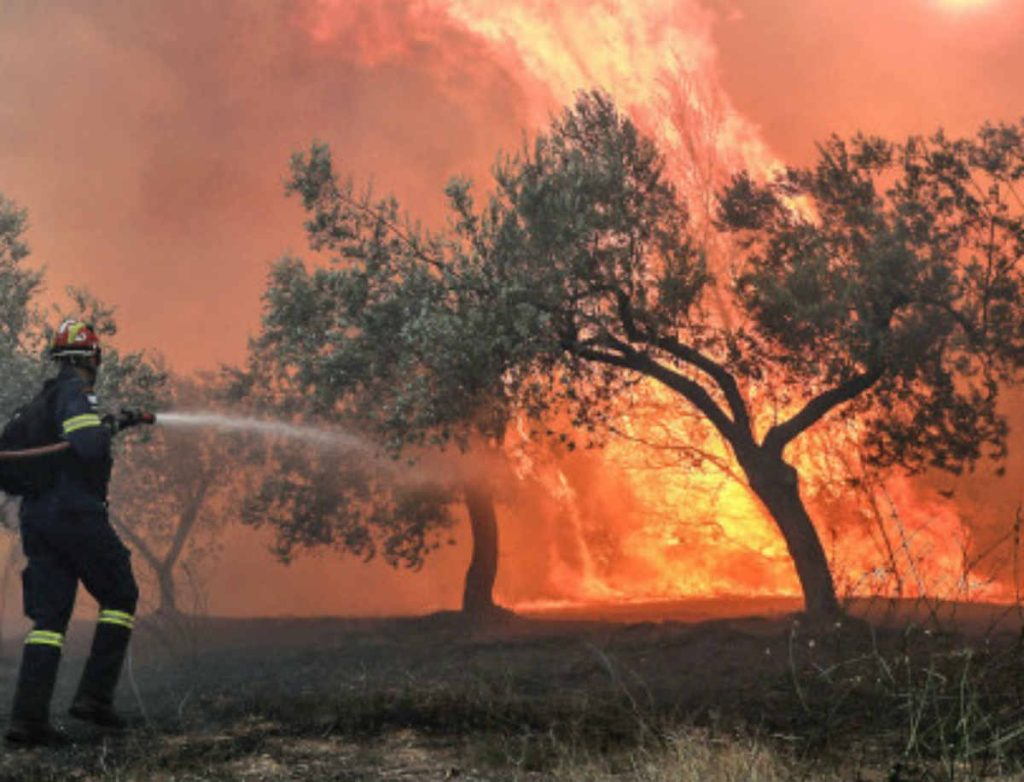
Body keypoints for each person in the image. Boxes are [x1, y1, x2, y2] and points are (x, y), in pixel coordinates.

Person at [5, 320, 147, 747]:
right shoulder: (73, 392)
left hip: (38, 519)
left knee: (49, 621)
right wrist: (103, 428)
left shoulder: (41, 401)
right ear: (93, 358)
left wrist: (114, 422)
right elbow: (87, 445)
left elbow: (76, 435)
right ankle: (95, 697)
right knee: (120, 594)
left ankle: (28, 721)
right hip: (73, 513)